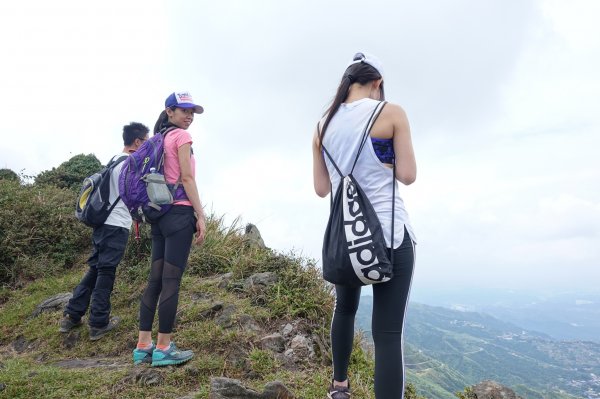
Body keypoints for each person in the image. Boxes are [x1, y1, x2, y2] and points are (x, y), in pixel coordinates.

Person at [312, 52, 417, 399]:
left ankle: (339, 387)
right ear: (377, 83)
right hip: (390, 236)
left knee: (345, 308)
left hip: (348, 237)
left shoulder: (322, 125)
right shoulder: (391, 113)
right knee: (387, 335)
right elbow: (408, 175)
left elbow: (322, 189)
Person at [132, 91, 206, 367]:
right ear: (169, 112)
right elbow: (186, 176)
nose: (188, 115)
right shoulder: (182, 137)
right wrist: (200, 213)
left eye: (192, 112)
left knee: (156, 279)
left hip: (159, 214)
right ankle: (163, 347)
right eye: (183, 110)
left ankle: (143, 346)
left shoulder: (157, 139)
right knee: (171, 280)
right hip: (179, 212)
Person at [60, 122, 150, 340]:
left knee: (95, 268)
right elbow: (135, 197)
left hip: (102, 223)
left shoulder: (114, 159)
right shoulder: (130, 164)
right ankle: (99, 323)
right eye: (146, 141)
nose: (148, 146)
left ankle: (72, 315)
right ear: (137, 142)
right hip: (116, 225)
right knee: (106, 271)